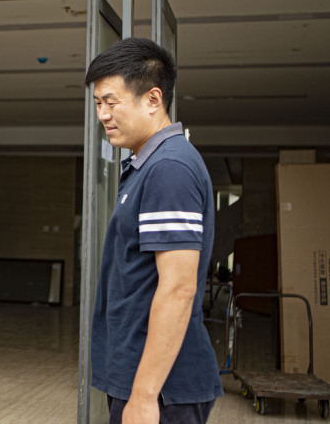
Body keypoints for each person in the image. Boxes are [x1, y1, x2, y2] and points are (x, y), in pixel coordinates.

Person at [85, 38, 223, 424]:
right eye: (97, 103)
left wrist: (144, 396)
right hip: (143, 378)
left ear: (152, 99)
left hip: (162, 391)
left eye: (111, 102)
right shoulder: (147, 165)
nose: (103, 114)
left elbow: (179, 288)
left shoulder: (169, 169)